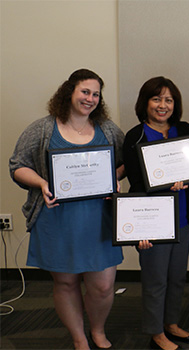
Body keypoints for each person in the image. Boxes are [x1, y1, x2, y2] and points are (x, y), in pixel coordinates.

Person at [8, 68, 124, 350]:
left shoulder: (107, 128)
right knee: (66, 283)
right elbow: (17, 166)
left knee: (103, 286)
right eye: (85, 91)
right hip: (57, 218)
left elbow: (125, 162)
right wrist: (42, 182)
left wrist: (115, 179)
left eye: (96, 94)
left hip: (100, 220)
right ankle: (79, 338)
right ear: (69, 92)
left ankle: (97, 330)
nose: (91, 98)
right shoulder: (43, 128)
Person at [122, 76, 189, 350]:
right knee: (155, 279)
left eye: (168, 99)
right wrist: (138, 231)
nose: (163, 105)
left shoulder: (185, 129)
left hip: (181, 217)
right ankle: (156, 332)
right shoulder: (135, 137)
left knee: (177, 276)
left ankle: (172, 324)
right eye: (156, 98)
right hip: (151, 219)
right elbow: (136, 182)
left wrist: (187, 178)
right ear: (145, 102)